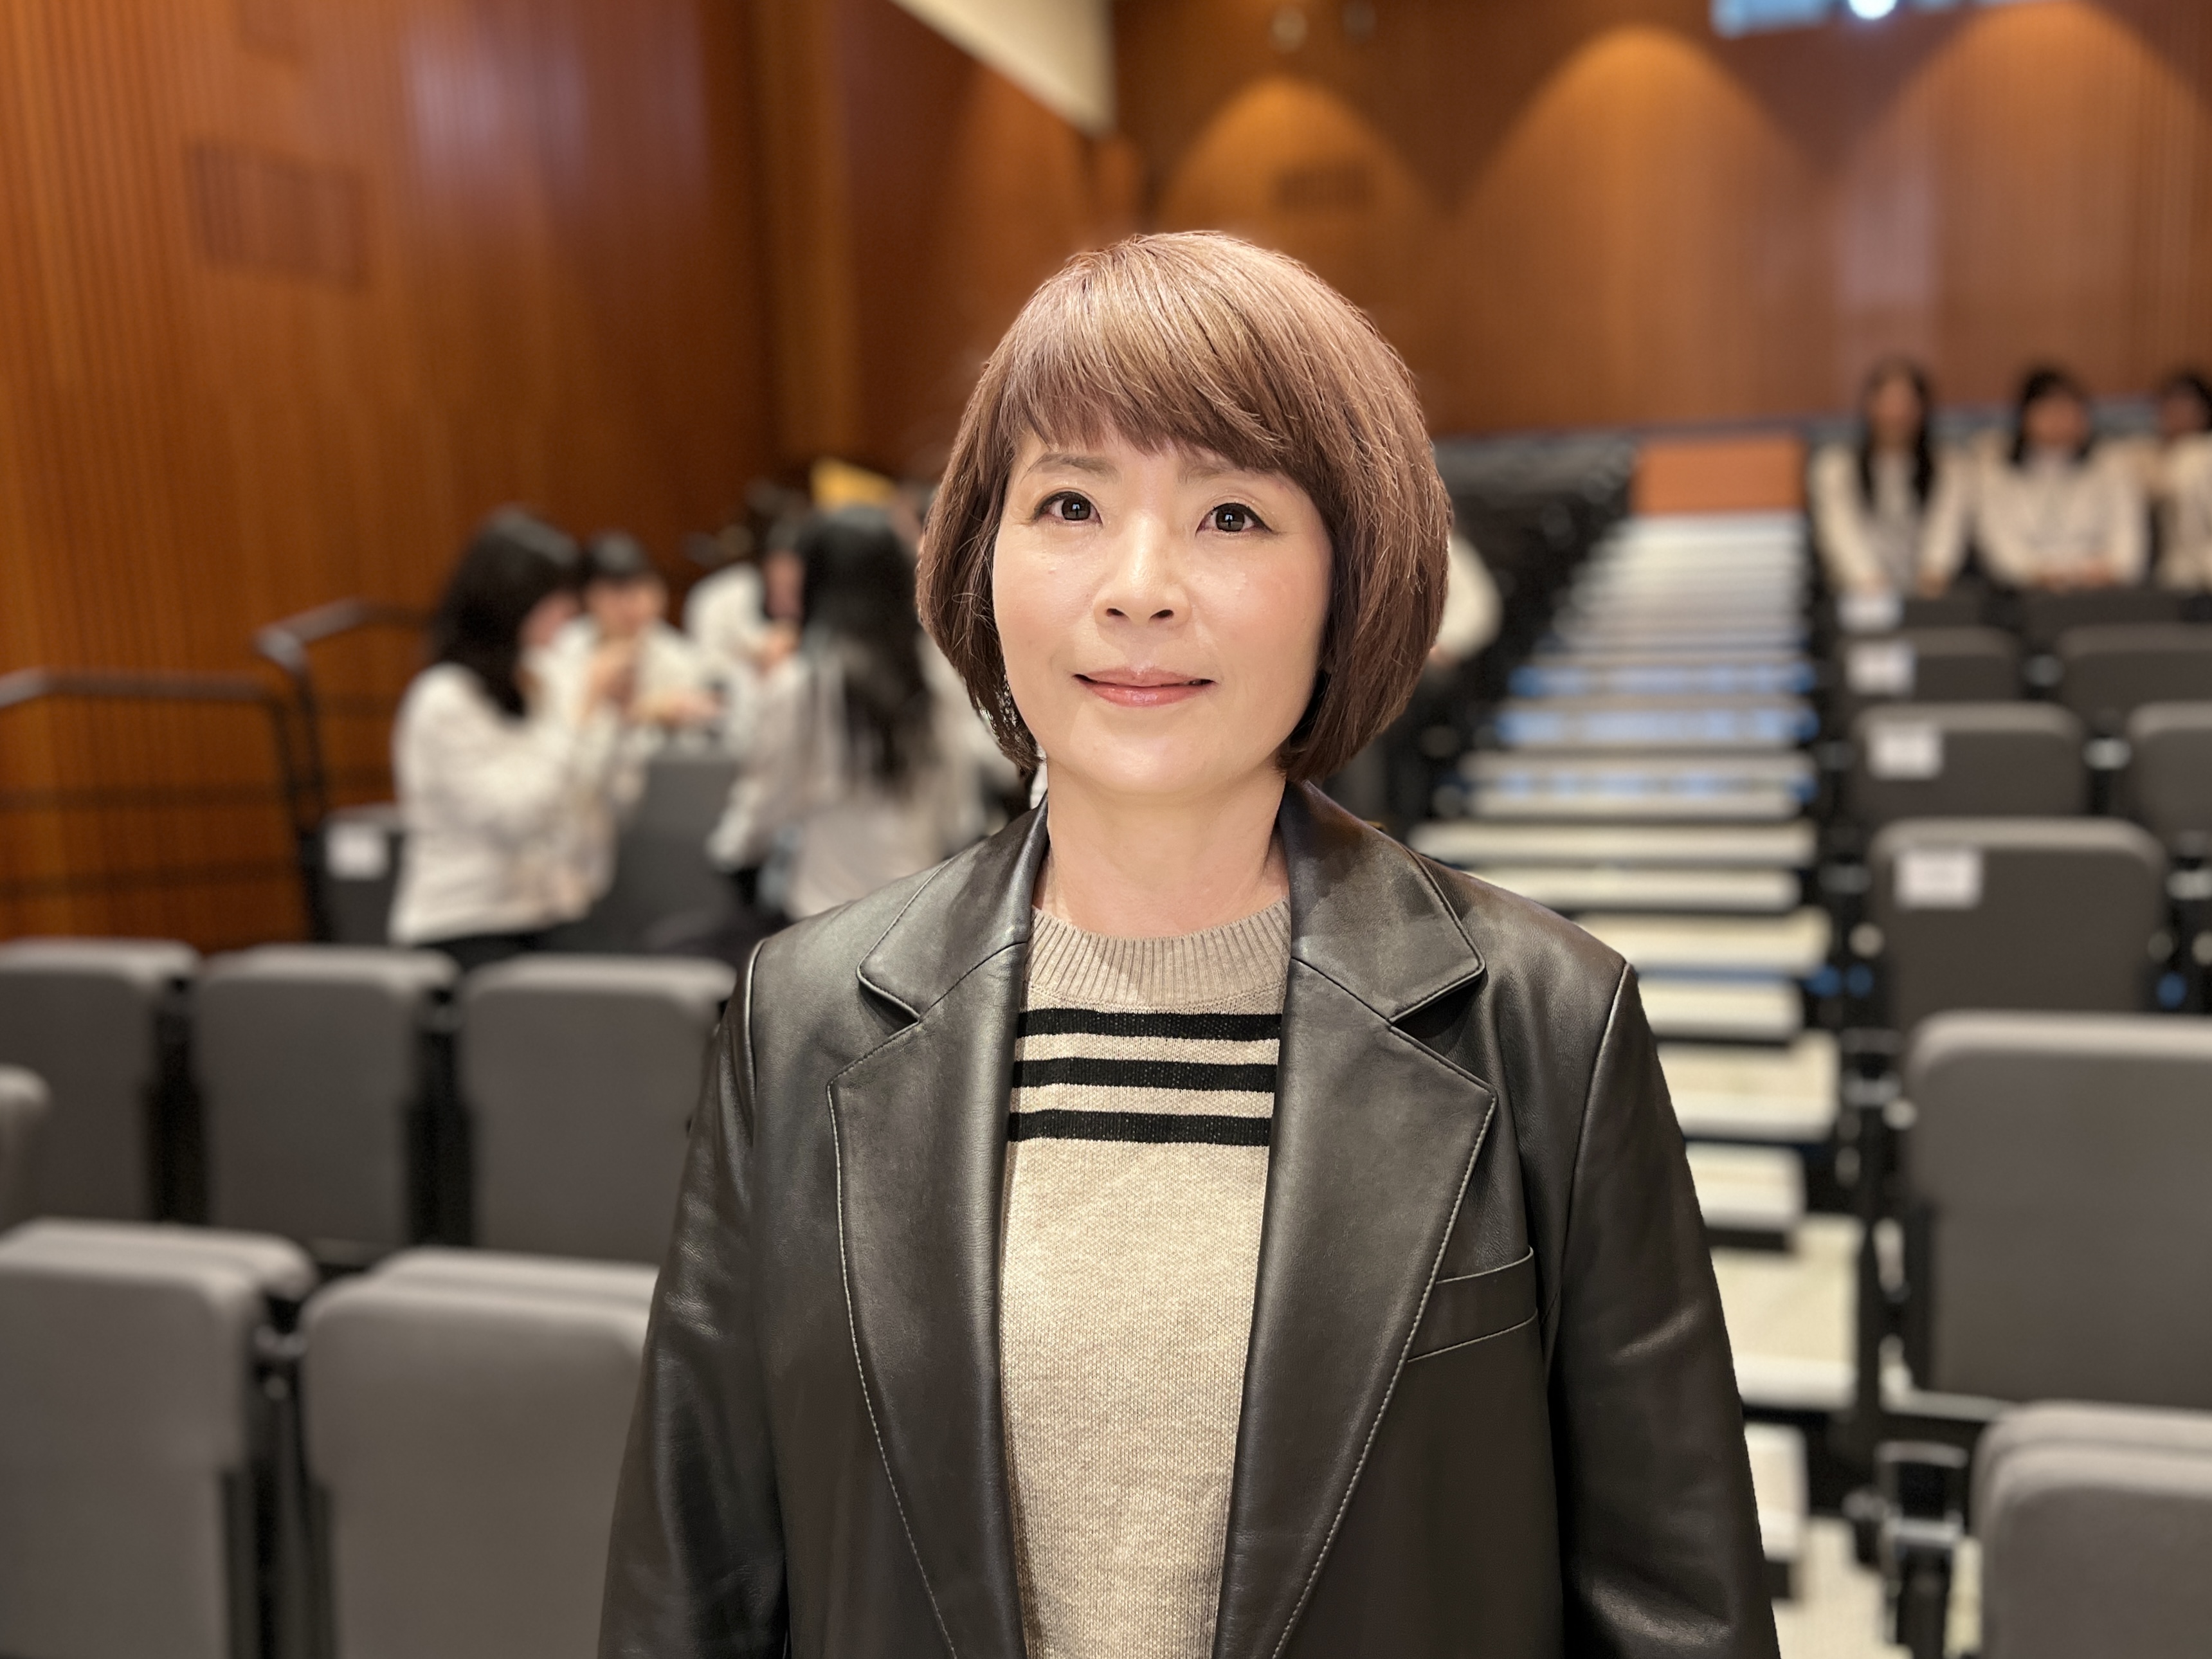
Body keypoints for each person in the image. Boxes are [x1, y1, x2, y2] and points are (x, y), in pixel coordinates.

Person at [600, 233, 1775, 1658]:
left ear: (1350, 579)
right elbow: (697, 1587)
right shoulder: (799, 1021)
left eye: (1231, 514)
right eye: (1071, 504)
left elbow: (1675, 1614)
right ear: (979, 565)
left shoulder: (1546, 1027)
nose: (1140, 587)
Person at [703, 505, 1013, 920]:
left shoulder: (804, 681)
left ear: (818, 579)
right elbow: (966, 787)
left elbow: (768, 798)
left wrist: (731, 854)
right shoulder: (933, 667)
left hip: (822, 906)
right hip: (917, 898)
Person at [386, 510, 636, 972]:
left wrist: (611, 720)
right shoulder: (444, 699)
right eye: (557, 598)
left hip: (548, 909)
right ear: (510, 601)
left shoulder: (541, 676)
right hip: (466, 922)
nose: (570, 612)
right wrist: (580, 715)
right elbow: (518, 817)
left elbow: (590, 798)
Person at [1934, 365, 2145, 592]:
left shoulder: (2112, 466)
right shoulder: (1995, 471)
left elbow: (2128, 547)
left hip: (2100, 591)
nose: (2059, 418)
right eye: (2048, 409)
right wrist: (2040, 574)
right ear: (2025, 415)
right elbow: (2000, 548)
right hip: (2023, 594)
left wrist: (2100, 571)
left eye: (2068, 408)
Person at [1809, 358, 1964, 599]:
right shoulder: (1835, 468)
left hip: (1928, 595)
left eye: (1907, 404)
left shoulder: (1950, 468)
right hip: (1860, 593)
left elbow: (1946, 532)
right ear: (1870, 406)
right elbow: (1841, 533)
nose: (1897, 413)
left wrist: (1932, 578)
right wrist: (1870, 581)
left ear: (1923, 410)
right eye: (1888, 402)